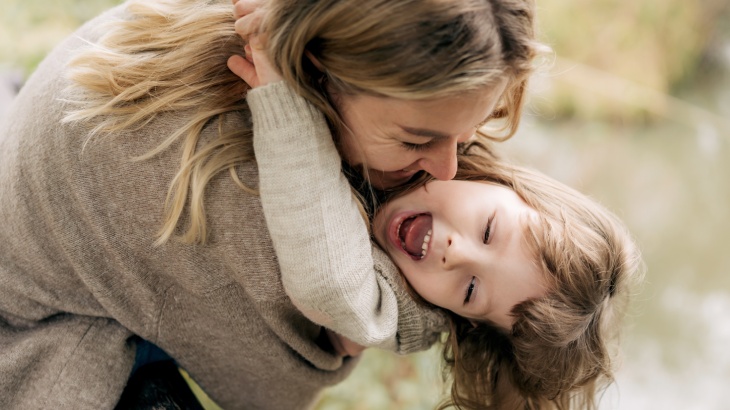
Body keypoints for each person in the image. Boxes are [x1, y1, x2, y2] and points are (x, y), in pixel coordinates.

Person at [0, 0, 541, 408]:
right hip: (32, 329)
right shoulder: (231, 184)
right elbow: (267, 390)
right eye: (417, 140)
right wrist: (397, 316)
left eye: (465, 138)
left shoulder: (261, 21)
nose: (447, 168)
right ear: (318, 74)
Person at [238, 55, 643, 409]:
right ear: (504, 186)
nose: (457, 253)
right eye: (488, 230)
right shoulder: (445, 132)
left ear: (461, 320)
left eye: (470, 290)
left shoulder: (408, 311)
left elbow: (329, 282)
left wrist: (281, 98)